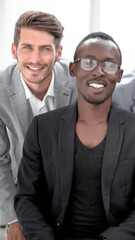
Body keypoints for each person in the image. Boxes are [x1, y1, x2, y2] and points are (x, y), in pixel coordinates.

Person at [14, 32, 135, 240]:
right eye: (88, 62)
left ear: (119, 75)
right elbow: (26, 197)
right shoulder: (43, 128)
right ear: (73, 69)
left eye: (109, 65)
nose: (98, 72)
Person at [0, 10, 77, 240]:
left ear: (59, 53)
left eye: (45, 49)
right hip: (20, 189)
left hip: (70, 191)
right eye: (27, 48)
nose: (35, 59)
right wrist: (13, 218)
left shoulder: (77, 85)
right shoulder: (1, 90)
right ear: (14, 51)